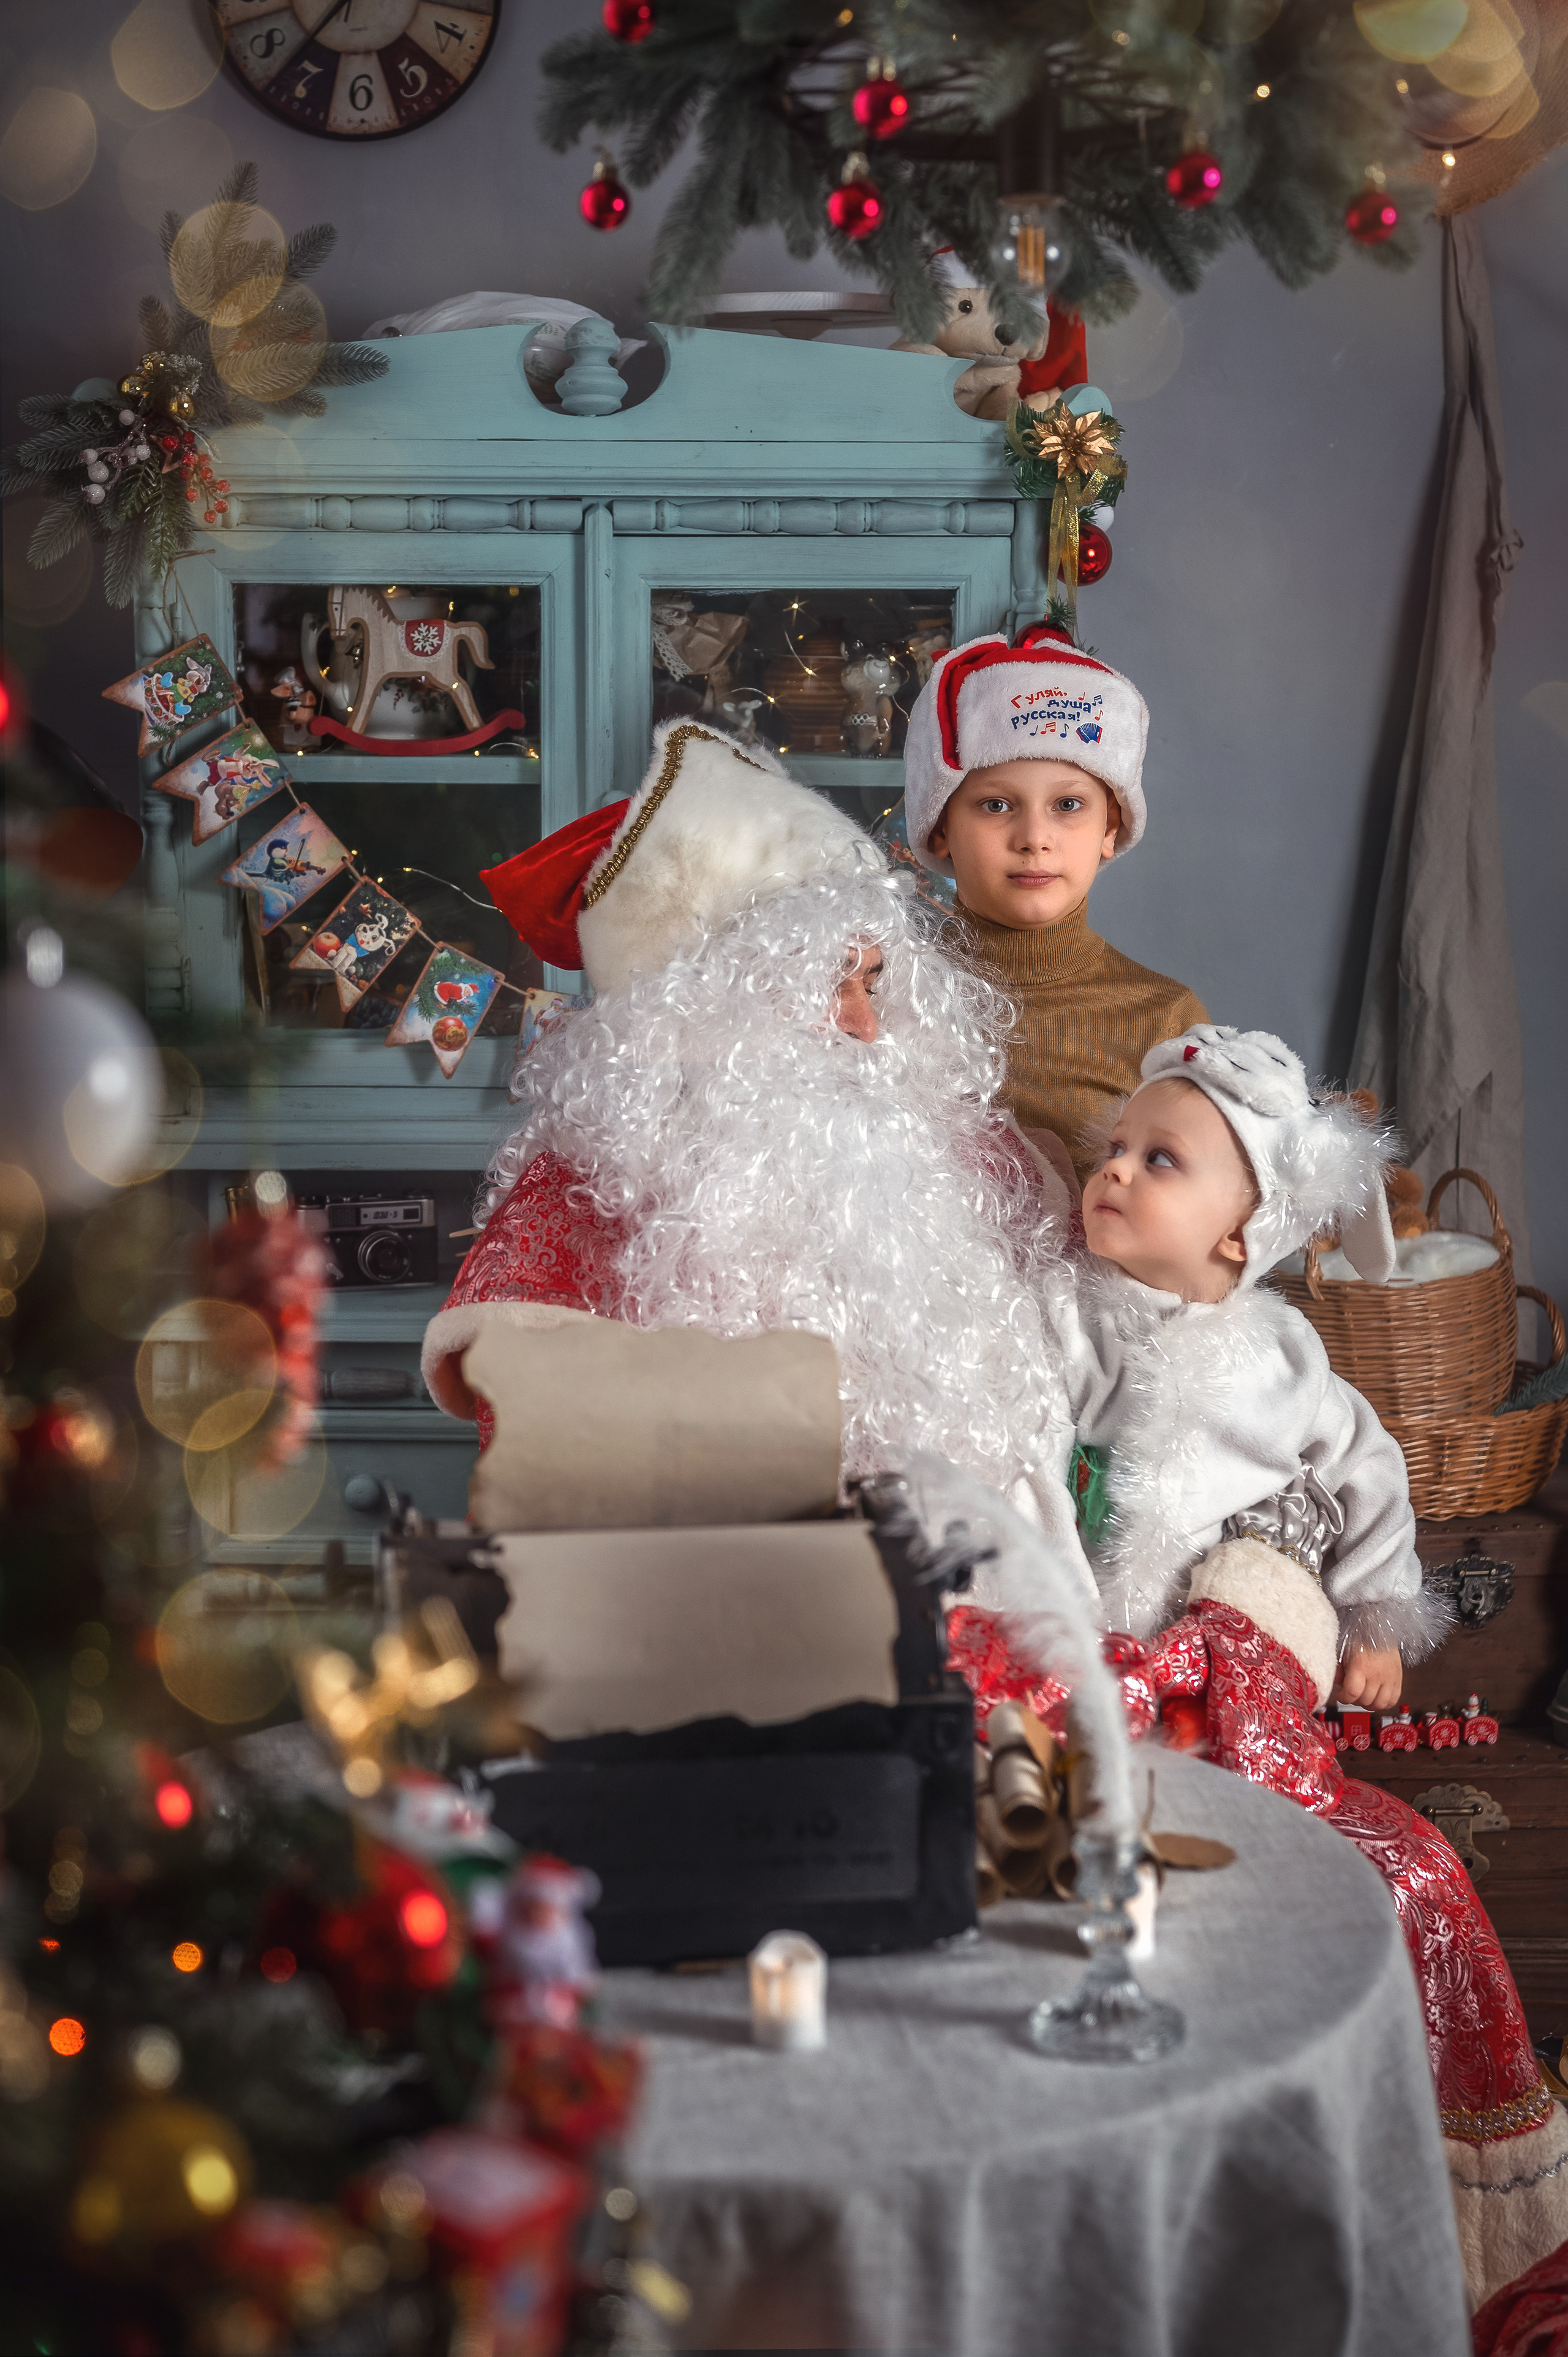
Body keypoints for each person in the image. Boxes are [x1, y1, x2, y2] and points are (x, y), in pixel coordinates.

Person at [950, 1022, 1568, 2307]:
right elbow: (1025, 1459)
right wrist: (1054, 1606)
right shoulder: (1072, 1315)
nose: (1110, 1173)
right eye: (1110, 1149)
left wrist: (1375, 1615)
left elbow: (1365, 1474)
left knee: (1239, 1655)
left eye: (1157, 1161)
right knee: (1091, 1672)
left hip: (1231, 1607)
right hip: (1106, 1607)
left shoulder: (1285, 1356)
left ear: (1239, 1234)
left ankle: (1236, 1792)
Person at [421, 717, 1079, 1533]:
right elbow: (545, 1480)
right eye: (823, 984)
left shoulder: (959, 1154)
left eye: (874, 980)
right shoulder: (572, 1201)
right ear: (699, 1011)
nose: (865, 1026)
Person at [900, 621, 1207, 1190]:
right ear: (940, 828)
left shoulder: (1164, 1020)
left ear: (1110, 829)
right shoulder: (893, 996)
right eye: (996, 805)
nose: (1034, 837)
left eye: (1068, 804)